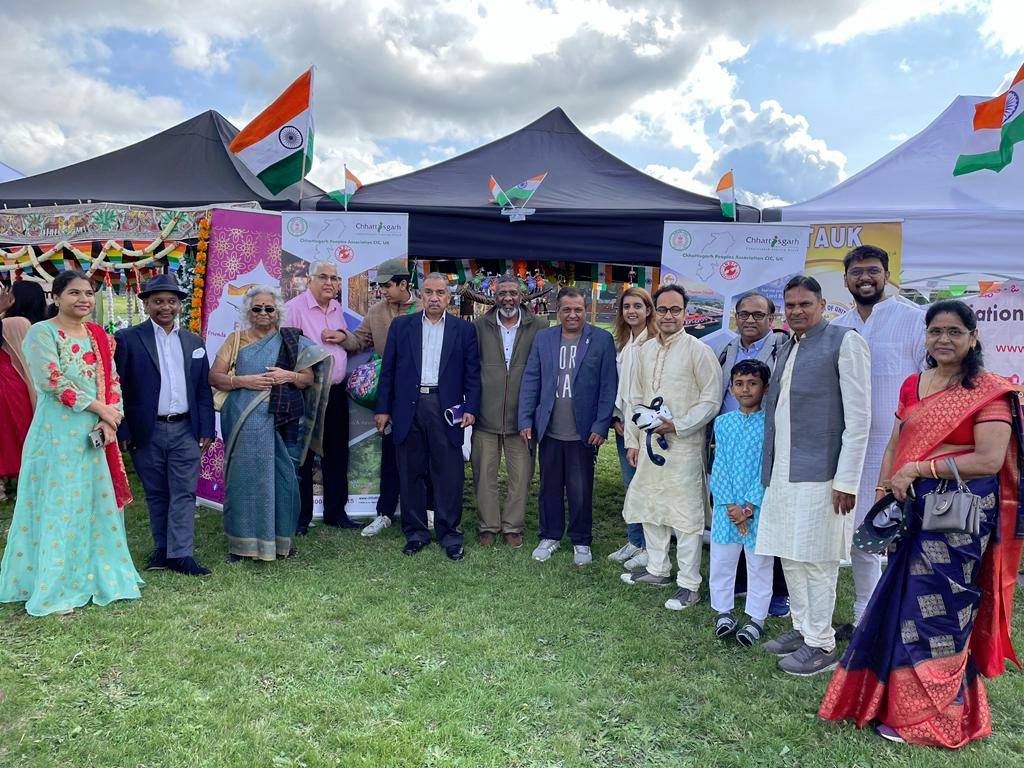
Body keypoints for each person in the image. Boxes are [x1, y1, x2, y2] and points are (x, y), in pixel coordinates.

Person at [820, 300, 1022, 748]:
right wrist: (882, 493)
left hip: (957, 518)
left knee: (938, 610)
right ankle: (890, 701)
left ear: (973, 337)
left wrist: (920, 468)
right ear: (925, 336)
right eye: (935, 331)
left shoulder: (989, 391)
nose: (943, 339)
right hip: (910, 510)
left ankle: (932, 718)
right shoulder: (914, 383)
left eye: (954, 331)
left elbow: (989, 459)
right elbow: (896, 445)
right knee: (899, 604)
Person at [0, 270, 143, 616]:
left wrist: (110, 418)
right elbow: (52, 381)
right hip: (57, 435)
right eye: (74, 293)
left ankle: (101, 576)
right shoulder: (42, 332)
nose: (83, 299)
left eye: (89, 293)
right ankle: (56, 585)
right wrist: (101, 409)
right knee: (61, 505)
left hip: (96, 432)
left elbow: (112, 380)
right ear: (56, 297)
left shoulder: (98, 334)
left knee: (95, 503)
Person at [756, 275, 871, 676]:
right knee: (790, 552)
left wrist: (847, 481)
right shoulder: (788, 345)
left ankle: (822, 643)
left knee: (817, 557)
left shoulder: (845, 341)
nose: (797, 311)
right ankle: (802, 627)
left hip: (823, 473)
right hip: (783, 470)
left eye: (805, 304)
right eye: (790, 305)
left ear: (822, 304)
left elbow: (859, 420)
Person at [830, 245, 925, 637]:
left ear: (886, 275)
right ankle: (865, 615)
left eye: (872, 270)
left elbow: (927, 385)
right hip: (851, 448)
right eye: (856, 272)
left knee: (901, 536)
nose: (864, 278)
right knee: (861, 534)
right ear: (845, 280)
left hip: (898, 448)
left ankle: (902, 617)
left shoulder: (914, 320)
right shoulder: (838, 326)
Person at [209, 285, 332, 562]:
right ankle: (242, 545)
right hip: (242, 420)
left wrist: (288, 376)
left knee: (284, 479)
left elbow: (308, 379)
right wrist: (244, 381)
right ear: (248, 312)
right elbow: (214, 377)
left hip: (283, 421)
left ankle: (281, 542)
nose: (263, 313)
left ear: (278, 312)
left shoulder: (290, 341)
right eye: (257, 308)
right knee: (244, 480)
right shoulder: (235, 339)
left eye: (269, 308)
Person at [620, 285, 722, 612]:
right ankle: (657, 569)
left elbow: (711, 400)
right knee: (651, 504)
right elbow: (635, 399)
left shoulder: (698, 351)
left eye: (675, 310)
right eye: (662, 309)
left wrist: (678, 424)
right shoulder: (644, 351)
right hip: (649, 445)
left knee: (685, 515)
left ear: (685, 313)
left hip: (684, 447)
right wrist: (633, 440)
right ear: (655, 312)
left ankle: (689, 584)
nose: (668, 316)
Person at [114, 274, 216, 577]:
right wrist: (123, 429)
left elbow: (202, 389)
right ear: (146, 304)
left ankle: (181, 554)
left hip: (186, 429)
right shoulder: (128, 339)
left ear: (179, 305)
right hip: (146, 430)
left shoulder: (194, 341)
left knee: (184, 492)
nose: (165, 307)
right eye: (158, 301)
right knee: (156, 492)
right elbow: (117, 387)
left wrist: (206, 428)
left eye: (171, 301)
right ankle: (162, 549)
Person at [375, 273, 480, 561]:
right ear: (420, 295)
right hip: (408, 406)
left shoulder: (463, 330)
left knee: (448, 473)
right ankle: (415, 533)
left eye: (440, 293)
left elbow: (472, 373)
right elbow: (388, 370)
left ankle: (449, 534)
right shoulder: (402, 326)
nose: (434, 298)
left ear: (449, 297)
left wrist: (471, 408)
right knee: (411, 472)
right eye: (429, 292)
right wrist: (383, 409)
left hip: (445, 408)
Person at [519, 286, 616, 566]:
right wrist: (525, 419)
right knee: (549, 486)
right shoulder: (544, 338)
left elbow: (608, 385)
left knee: (580, 489)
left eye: (578, 309)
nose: (573, 315)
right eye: (567, 309)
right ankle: (549, 535)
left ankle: (581, 540)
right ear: (557, 311)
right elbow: (531, 379)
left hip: (583, 432)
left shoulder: (601, 340)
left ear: (586, 310)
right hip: (549, 428)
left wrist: (601, 424)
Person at [715, 290, 791, 618]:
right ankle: (734, 592)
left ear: (771, 319)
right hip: (730, 442)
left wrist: (748, 504)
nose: (750, 320)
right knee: (731, 540)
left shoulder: (784, 348)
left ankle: (776, 594)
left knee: (765, 540)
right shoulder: (727, 349)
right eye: (744, 313)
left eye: (758, 315)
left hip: (767, 440)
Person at [340, 258, 421, 537]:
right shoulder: (376, 312)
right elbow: (359, 341)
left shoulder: (424, 309)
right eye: (380, 286)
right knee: (390, 455)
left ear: (403, 284)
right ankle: (384, 513)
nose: (382, 291)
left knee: (423, 455)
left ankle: (425, 512)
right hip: (390, 396)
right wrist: (341, 337)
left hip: (422, 395)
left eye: (387, 286)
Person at [471, 274, 547, 548]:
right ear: (494, 296)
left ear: (521, 295)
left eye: (513, 293)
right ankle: (488, 525)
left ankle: (513, 526)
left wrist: (534, 412)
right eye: (502, 293)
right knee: (484, 474)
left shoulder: (539, 326)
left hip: (522, 417)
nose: (507, 298)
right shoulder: (479, 326)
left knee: (521, 475)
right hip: (485, 414)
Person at [284, 260, 360, 533]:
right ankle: (300, 517)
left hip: (336, 391)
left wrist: (342, 336)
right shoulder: (293, 309)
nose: (330, 283)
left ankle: (336, 512)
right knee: (303, 455)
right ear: (309, 280)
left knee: (337, 452)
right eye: (324, 277)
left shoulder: (337, 308)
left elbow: (346, 346)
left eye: (334, 278)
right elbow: (286, 351)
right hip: (306, 392)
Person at [707, 359, 773, 646]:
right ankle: (723, 611)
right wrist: (730, 506)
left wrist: (748, 507)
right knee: (722, 559)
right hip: (726, 507)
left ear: (765, 388)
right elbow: (719, 463)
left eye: (752, 383)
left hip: (757, 508)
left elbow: (766, 468)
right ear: (731, 388)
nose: (745, 389)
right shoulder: (723, 423)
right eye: (739, 384)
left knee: (759, 563)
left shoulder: (771, 425)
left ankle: (756, 618)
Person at [607, 286, 656, 569]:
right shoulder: (624, 343)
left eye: (638, 306)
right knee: (631, 486)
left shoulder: (655, 343)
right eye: (627, 307)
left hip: (646, 429)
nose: (632, 311)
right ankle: (634, 541)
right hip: (624, 427)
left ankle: (650, 546)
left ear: (648, 310)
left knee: (646, 486)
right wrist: (616, 420)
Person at [0, 281, 46, 502]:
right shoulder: (42, 324)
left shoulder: (12, 322)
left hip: (9, 383)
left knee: (9, 434)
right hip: (26, 385)